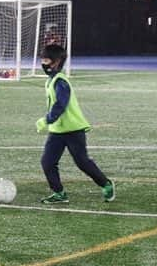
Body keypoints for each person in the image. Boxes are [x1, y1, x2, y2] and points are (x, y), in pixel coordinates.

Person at [35, 44, 115, 204]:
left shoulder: (61, 82)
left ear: (56, 62)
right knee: (47, 162)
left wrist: (46, 120)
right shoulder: (50, 81)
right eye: (42, 60)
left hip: (73, 129)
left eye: (46, 60)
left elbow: (60, 105)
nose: (43, 63)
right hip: (57, 130)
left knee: (82, 162)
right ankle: (59, 193)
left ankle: (106, 184)